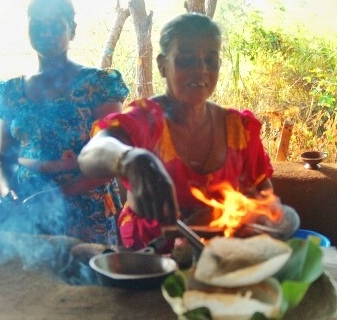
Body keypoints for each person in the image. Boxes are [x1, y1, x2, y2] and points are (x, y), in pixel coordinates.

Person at [78, 13, 299, 250]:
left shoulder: (238, 129)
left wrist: (258, 219)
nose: (201, 70)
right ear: (162, 65)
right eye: (186, 60)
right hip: (152, 259)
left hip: (223, 257)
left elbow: (264, 193)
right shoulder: (146, 120)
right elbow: (92, 153)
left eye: (210, 60)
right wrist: (128, 159)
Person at [0, 0, 130, 244]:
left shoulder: (98, 86)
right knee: (36, 279)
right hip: (30, 209)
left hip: (88, 214)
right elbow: (5, 158)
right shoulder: (10, 92)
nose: (46, 33)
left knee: (88, 280)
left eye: (56, 26)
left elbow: (109, 162)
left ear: (73, 30)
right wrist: (8, 192)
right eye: (38, 25)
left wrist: (54, 196)